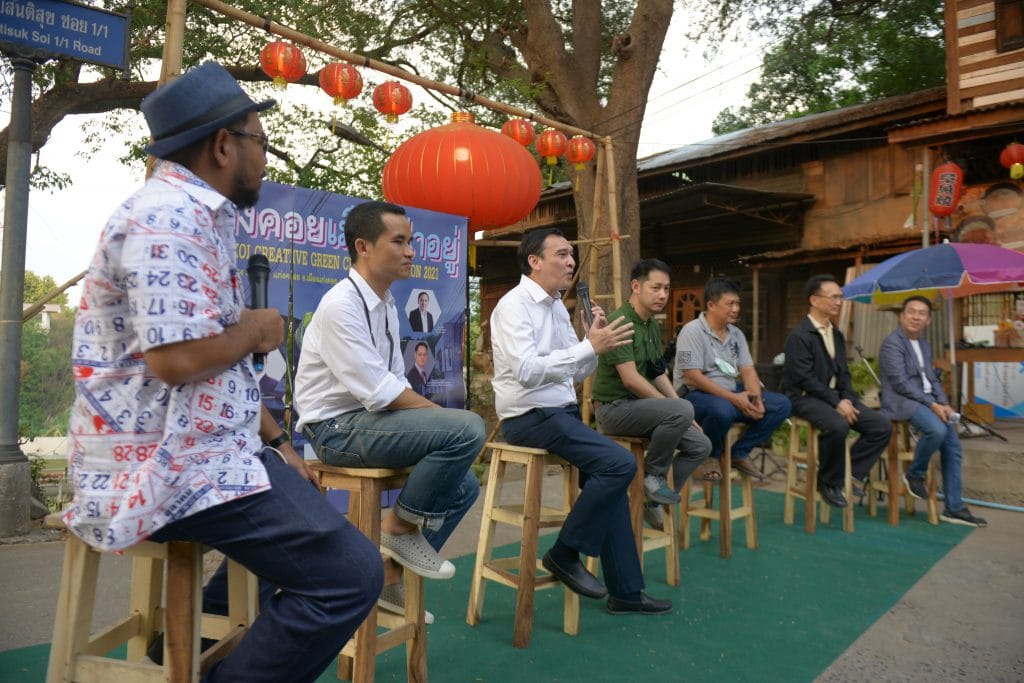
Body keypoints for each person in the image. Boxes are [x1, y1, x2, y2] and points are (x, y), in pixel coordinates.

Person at [62, 62, 382, 683]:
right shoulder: (169, 219)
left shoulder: (199, 214)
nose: (263, 157)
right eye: (259, 141)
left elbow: (216, 375)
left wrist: (278, 443)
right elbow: (178, 361)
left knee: (297, 528)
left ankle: (171, 659)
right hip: (164, 464)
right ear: (222, 145)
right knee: (350, 576)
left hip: (211, 448)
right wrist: (257, 331)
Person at [296, 200, 485, 620]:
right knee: (467, 428)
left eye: (410, 241)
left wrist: (441, 423)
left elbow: (396, 381)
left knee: (465, 487)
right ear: (363, 247)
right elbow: (380, 391)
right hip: (335, 430)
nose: (410, 251)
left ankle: (388, 577)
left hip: (370, 421)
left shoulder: (387, 304)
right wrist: (447, 423)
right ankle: (397, 528)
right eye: (398, 241)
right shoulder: (341, 304)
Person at [491, 228, 672, 616]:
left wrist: (594, 345)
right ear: (534, 261)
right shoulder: (513, 306)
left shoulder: (557, 306)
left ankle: (626, 591)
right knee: (619, 463)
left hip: (561, 413)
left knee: (609, 481)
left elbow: (573, 373)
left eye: (571, 254)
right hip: (528, 416)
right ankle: (563, 552)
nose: (571, 261)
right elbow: (526, 372)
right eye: (561, 254)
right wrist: (587, 346)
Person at [592, 259, 711, 530]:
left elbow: (657, 372)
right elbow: (631, 380)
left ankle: (652, 501)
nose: (663, 295)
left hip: (641, 408)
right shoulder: (620, 321)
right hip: (613, 410)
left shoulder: (651, 325)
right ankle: (651, 477)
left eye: (666, 289)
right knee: (682, 409)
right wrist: (676, 408)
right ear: (636, 286)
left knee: (701, 445)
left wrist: (681, 410)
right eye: (656, 288)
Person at [782, 274, 891, 508]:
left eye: (840, 297)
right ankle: (828, 483)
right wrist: (836, 402)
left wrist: (848, 399)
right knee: (838, 424)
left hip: (834, 398)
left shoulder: (836, 334)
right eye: (833, 297)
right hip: (805, 398)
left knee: (881, 426)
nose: (839, 302)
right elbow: (805, 379)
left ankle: (848, 474)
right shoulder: (799, 336)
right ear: (814, 300)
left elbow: (844, 374)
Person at [878, 297, 987, 527]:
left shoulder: (924, 345)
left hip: (926, 401)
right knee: (937, 430)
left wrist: (944, 403)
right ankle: (914, 474)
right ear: (902, 316)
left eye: (922, 313)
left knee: (953, 448)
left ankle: (953, 508)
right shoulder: (892, 343)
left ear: (928, 320)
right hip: (903, 401)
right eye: (911, 312)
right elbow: (901, 384)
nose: (916, 317)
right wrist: (933, 405)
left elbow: (932, 379)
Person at [674, 277, 791, 482]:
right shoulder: (690, 331)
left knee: (781, 404)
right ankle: (709, 455)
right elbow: (692, 376)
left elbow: (748, 370)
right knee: (723, 410)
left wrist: (756, 398)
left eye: (737, 303)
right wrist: (734, 399)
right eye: (730, 304)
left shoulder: (736, 334)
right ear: (711, 305)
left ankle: (739, 453)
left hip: (729, 394)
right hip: (694, 396)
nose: (736, 309)